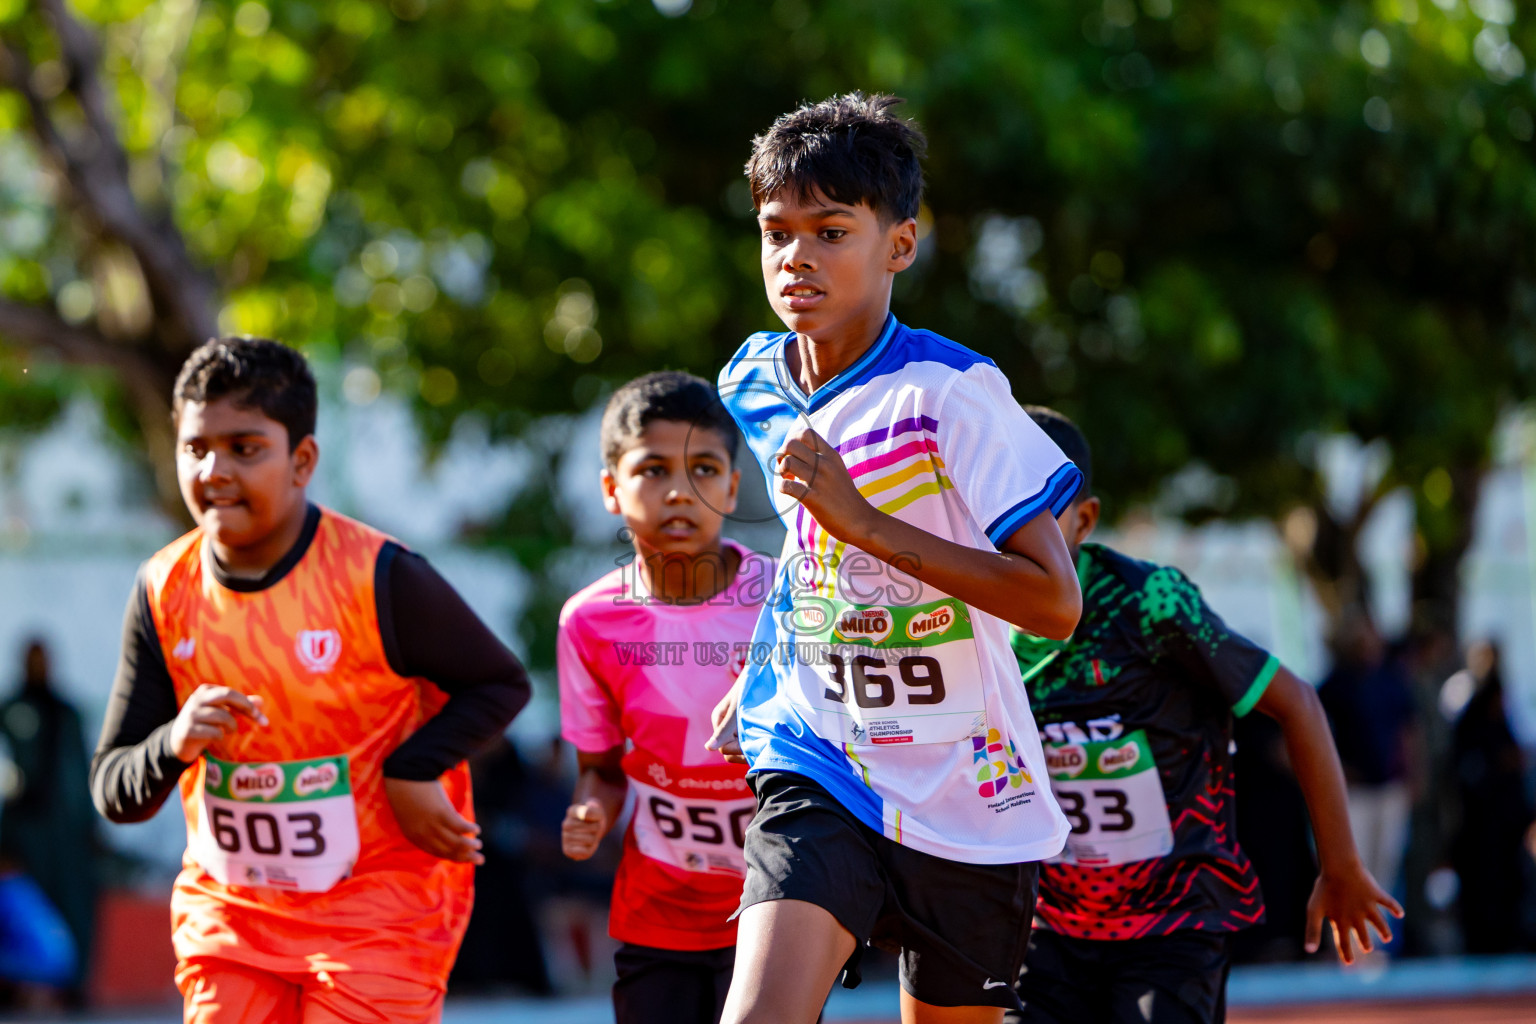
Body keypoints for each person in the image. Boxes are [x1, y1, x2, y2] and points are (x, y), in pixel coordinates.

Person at [711, 94, 1085, 1024]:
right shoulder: (751, 379)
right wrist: (763, 661)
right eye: (776, 232)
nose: (797, 257)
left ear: (900, 245)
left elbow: (1052, 602)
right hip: (819, 752)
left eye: (831, 231)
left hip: (970, 785)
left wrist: (868, 522)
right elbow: (805, 546)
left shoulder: (953, 393)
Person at [89, 337, 531, 1024]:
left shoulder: (380, 577)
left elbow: (501, 683)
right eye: (195, 448)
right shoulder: (162, 590)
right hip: (232, 920)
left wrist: (413, 770)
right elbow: (114, 786)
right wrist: (173, 741)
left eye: (245, 448)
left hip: (380, 909)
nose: (215, 470)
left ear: (302, 461)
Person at [1008, 408, 1403, 1024]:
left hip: (1172, 919)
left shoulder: (1151, 606)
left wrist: (1342, 865)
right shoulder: (967, 621)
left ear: (1084, 519)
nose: (1008, 530)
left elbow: (1297, 702)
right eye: (990, 506)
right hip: (1047, 926)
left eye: (1034, 510)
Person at [558, 371, 773, 1024]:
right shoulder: (589, 621)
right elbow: (599, 771)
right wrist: (590, 811)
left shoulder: (788, 600)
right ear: (611, 489)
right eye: (652, 470)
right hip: (658, 913)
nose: (680, 491)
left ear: (732, 487)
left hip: (777, 908)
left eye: (704, 469)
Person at [0, 639, 96, 999]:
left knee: (74, 910)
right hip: (23, 838)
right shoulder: (10, 711)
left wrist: (90, 829)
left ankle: (74, 989)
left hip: (66, 836)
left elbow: (81, 774)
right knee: (25, 915)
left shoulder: (66, 713)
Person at [1445, 641, 1535, 953]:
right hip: (1481, 820)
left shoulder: (1512, 700)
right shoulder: (1466, 702)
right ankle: (1484, 938)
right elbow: (1464, 765)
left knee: (1512, 877)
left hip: (1508, 815)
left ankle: (1509, 935)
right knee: (1484, 880)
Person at [1318, 617, 1418, 897]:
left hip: (1390, 785)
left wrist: (1413, 773)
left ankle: (1379, 936)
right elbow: (1320, 735)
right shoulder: (1334, 685)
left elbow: (1408, 731)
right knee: (1355, 863)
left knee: (1386, 863)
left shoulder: (1392, 681)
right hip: (1353, 790)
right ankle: (1349, 938)